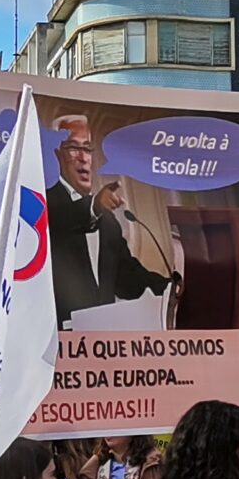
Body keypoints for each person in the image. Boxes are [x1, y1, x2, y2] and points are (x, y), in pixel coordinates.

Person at [46, 113, 171, 325]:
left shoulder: (108, 223)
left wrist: (170, 287)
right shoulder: (45, 204)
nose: (83, 157)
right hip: (54, 340)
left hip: (99, 339)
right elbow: (65, 219)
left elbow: (127, 281)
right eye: (74, 148)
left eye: (87, 149)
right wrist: (95, 205)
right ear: (58, 155)